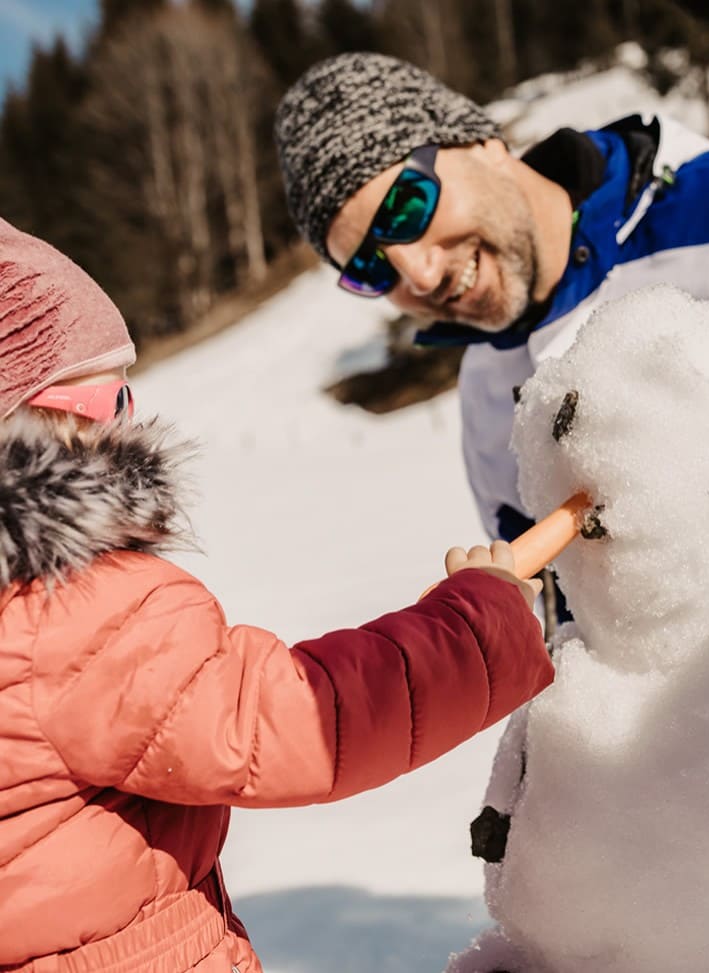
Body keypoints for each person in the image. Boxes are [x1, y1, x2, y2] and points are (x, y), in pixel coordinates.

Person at [0, 215, 553, 972]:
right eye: (101, 409)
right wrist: (475, 621)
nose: (123, 432)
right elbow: (296, 718)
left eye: (129, 400)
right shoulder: (66, 616)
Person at [274, 52, 709, 554]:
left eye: (407, 205)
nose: (420, 275)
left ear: (481, 143)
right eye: (370, 265)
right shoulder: (487, 396)